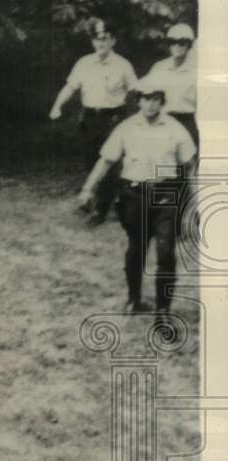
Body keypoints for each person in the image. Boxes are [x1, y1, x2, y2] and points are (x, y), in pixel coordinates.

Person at [76, 76, 197, 327]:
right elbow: (107, 160)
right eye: (146, 99)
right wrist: (88, 188)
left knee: (165, 252)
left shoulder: (175, 128)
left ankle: (163, 311)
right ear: (139, 101)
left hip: (166, 195)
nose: (151, 105)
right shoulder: (127, 127)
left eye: (155, 99)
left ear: (162, 102)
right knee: (136, 248)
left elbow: (190, 166)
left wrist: (194, 203)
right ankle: (134, 299)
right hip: (134, 196)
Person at [49, 18, 138, 225]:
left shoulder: (123, 65)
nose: (100, 43)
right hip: (90, 118)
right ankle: (93, 200)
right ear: (92, 41)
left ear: (113, 41)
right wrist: (57, 105)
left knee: (107, 161)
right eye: (96, 39)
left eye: (105, 38)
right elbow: (70, 87)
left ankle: (101, 209)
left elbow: (136, 90)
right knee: (90, 161)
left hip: (113, 118)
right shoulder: (84, 63)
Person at [145, 23, 198, 147]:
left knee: (184, 163)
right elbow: (146, 95)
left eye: (181, 42)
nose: (176, 46)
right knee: (162, 162)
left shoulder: (196, 71)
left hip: (186, 122)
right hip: (161, 121)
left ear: (189, 45)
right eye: (172, 42)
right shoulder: (159, 67)